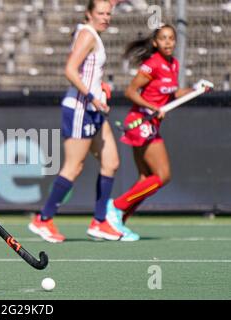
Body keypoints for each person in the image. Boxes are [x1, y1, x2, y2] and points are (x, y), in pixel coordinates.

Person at [28, 0, 137, 242]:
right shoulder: (87, 35)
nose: (106, 17)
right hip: (80, 109)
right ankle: (43, 219)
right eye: (100, 13)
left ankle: (99, 222)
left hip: (94, 109)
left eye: (108, 13)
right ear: (89, 14)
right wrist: (91, 96)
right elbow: (70, 70)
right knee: (74, 167)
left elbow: (89, 74)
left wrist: (100, 88)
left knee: (111, 162)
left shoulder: (91, 34)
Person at [106, 24, 213, 235]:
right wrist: (153, 107)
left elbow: (171, 94)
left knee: (146, 179)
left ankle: (117, 223)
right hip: (141, 123)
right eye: (163, 38)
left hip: (152, 124)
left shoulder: (174, 64)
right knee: (163, 175)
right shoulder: (152, 64)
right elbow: (130, 92)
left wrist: (195, 89)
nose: (168, 42)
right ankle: (115, 207)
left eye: (171, 38)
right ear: (155, 42)